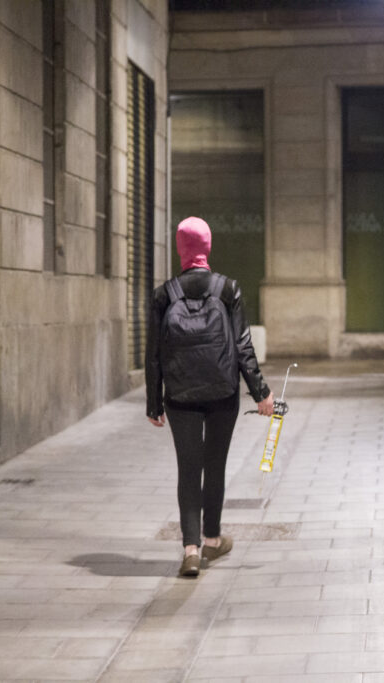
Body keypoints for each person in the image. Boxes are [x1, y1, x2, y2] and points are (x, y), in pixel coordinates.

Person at [145, 216, 274, 578]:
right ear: (208, 246)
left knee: (188, 469)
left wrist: (154, 402)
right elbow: (243, 346)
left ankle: (191, 549)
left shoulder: (164, 294)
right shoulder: (227, 289)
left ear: (180, 248)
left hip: (180, 396)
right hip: (222, 393)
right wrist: (261, 392)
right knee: (214, 466)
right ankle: (212, 538)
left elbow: (153, 354)